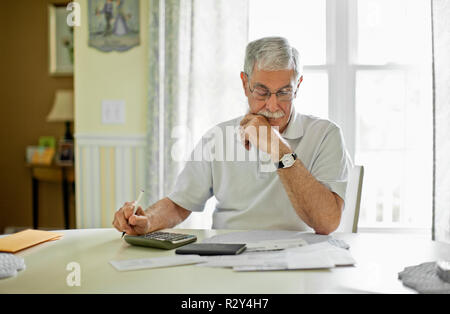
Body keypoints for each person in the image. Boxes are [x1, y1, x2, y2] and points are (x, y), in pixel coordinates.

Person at [112, 37, 350, 236]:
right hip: (229, 255)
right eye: (262, 91)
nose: (273, 104)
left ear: (297, 85)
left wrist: (278, 149)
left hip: (299, 258)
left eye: (284, 92)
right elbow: (179, 204)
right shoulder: (217, 137)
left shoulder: (325, 135)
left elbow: (327, 223)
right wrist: (147, 221)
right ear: (245, 84)